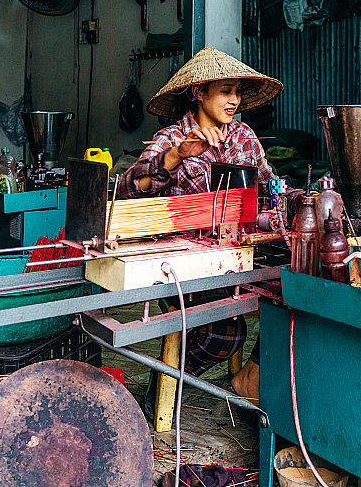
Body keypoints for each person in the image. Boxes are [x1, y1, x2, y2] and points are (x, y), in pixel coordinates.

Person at [117, 47, 284, 406]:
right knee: (224, 333)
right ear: (199, 92)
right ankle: (164, 389)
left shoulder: (244, 137)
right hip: (183, 265)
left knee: (292, 297)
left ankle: (248, 378)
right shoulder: (169, 139)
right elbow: (130, 189)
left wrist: (293, 200)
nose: (234, 100)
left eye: (238, 92)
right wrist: (177, 156)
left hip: (240, 255)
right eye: (226, 91)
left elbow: (271, 186)